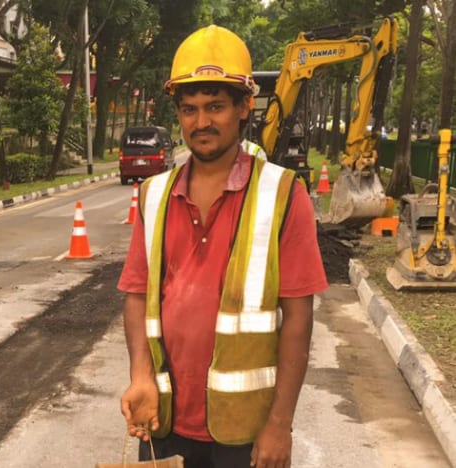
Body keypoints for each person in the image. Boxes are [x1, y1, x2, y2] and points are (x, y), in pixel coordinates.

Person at [117, 25, 327, 468]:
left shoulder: (283, 194)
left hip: (245, 430)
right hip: (165, 420)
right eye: (189, 109)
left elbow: (298, 319)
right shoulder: (154, 195)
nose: (201, 122)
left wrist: (280, 424)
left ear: (244, 106)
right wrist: (140, 375)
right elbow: (136, 295)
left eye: (215, 107)